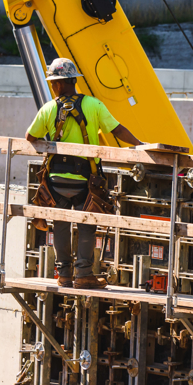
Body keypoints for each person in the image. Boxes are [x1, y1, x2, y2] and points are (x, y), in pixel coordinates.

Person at [26, 58, 144, 290]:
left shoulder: (49, 109)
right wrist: (139, 144)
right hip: (85, 180)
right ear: (73, 80)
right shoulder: (94, 105)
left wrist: (53, 145)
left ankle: (64, 275)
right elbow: (117, 129)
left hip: (55, 180)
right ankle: (83, 274)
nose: (52, 87)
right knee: (87, 222)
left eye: (53, 83)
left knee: (60, 223)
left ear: (59, 84)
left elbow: (30, 138)